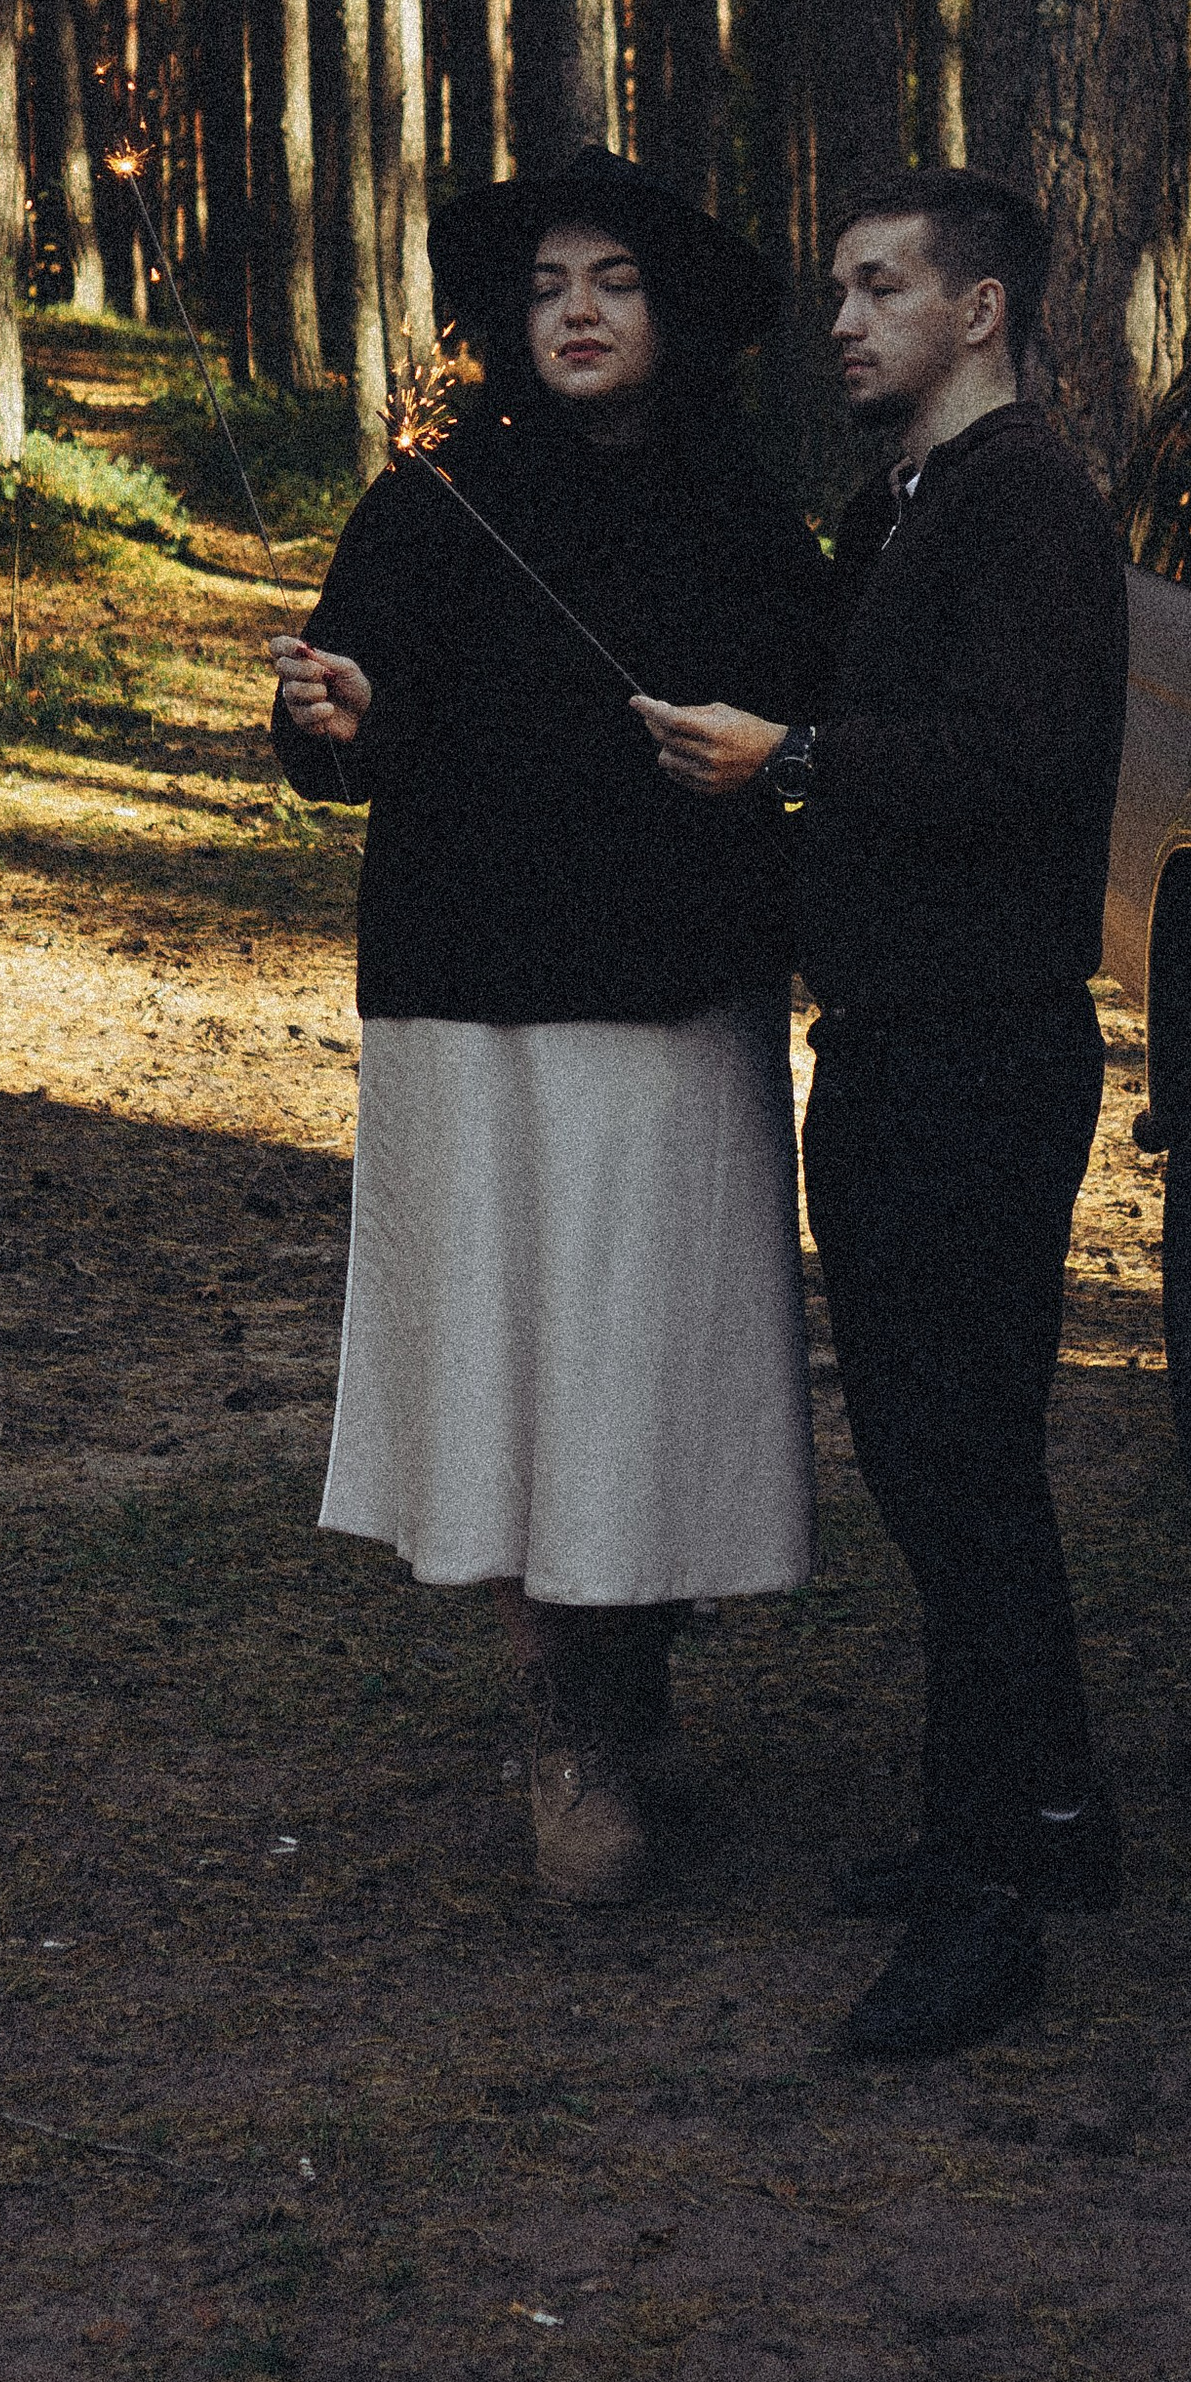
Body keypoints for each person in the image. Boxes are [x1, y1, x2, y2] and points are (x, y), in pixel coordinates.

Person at [269, 147, 829, 1908]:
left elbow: (817, 724)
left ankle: (635, 1679)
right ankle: (566, 1725)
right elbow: (340, 715)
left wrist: (768, 755)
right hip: (481, 999)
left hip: (676, 999)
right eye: (543, 289)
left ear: (674, 314)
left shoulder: (746, 511)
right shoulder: (430, 502)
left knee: (647, 1355)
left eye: (613, 282)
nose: (575, 313)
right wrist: (332, 711)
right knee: (523, 1356)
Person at [636, 169, 1129, 2058]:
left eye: (880, 287)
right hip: (897, 1042)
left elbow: (1024, 764)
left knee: (960, 1469)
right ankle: (1048, 1815)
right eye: (837, 289)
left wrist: (799, 760)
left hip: (981, 1053)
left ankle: (986, 1900)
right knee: (945, 1462)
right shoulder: (903, 505)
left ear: (980, 310)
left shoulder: (1029, 504)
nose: (840, 321)